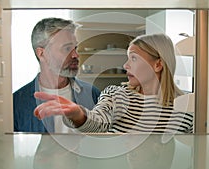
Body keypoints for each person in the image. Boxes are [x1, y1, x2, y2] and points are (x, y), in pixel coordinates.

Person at [34, 33, 193, 133]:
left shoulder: (188, 107)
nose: (125, 65)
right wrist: (78, 114)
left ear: (158, 65)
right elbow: (99, 121)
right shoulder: (117, 95)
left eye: (134, 58)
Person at [13, 17, 101, 133]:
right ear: (42, 54)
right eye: (67, 48)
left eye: (75, 48)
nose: (76, 55)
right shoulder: (16, 103)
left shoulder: (94, 95)